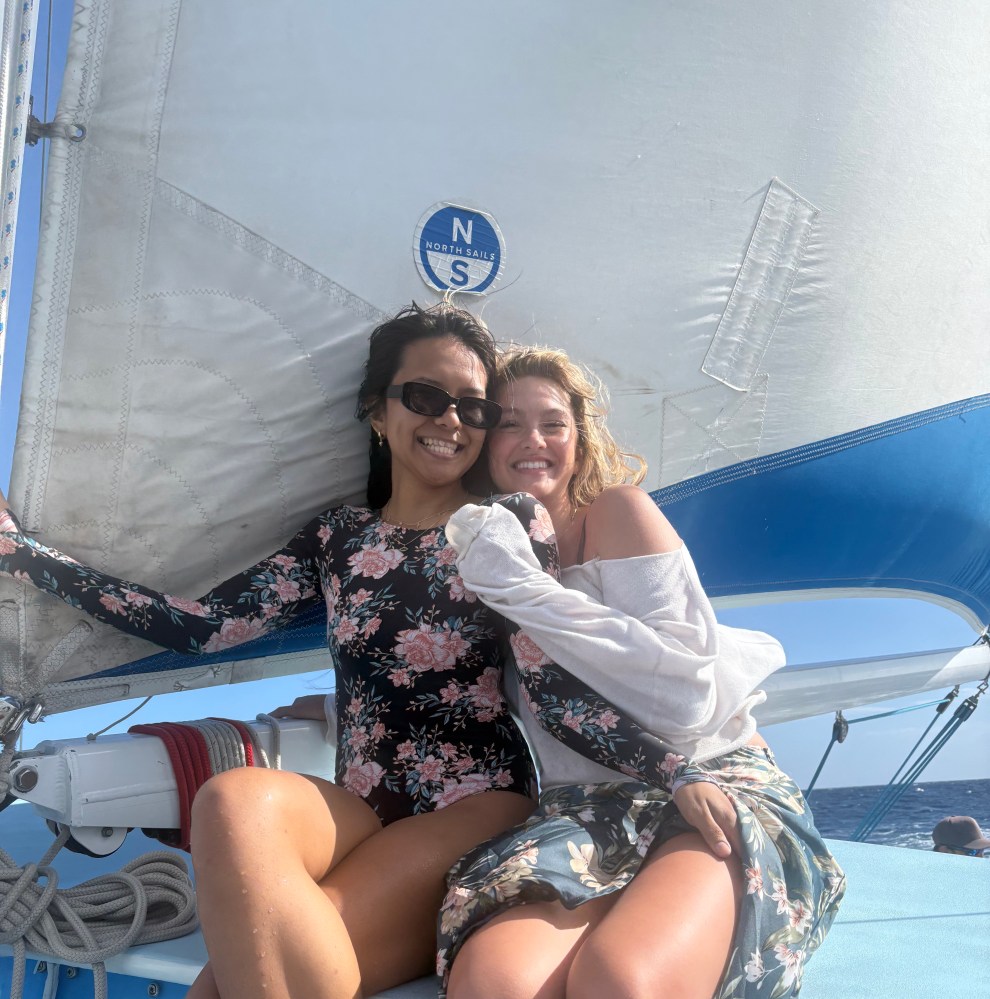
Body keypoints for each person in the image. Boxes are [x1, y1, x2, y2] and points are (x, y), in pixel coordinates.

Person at [0, 303, 546, 999]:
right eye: (427, 397)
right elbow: (202, 626)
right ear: (379, 411)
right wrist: (23, 556)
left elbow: (557, 664)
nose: (451, 420)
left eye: (474, 407)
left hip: (477, 799)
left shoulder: (510, 520)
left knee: (219, 987)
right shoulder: (338, 538)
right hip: (363, 802)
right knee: (228, 799)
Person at [437, 346, 846, 999]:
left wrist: (526, 591)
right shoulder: (492, 553)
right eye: (510, 423)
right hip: (589, 808)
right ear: (484, 442)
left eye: (554, 422)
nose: (532, 440)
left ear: (580, 436)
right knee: (494, 982)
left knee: (620, 979)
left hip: (713, 779)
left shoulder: (616, 515)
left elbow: (683, 700)